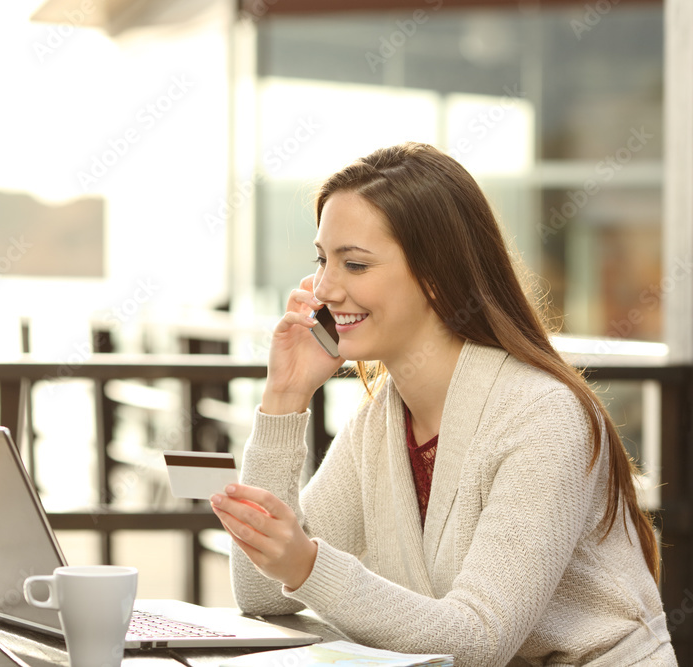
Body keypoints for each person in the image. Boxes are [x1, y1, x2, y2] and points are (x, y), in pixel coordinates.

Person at [209, 142, 677, 666]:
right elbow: (263, 592)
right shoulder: (380, 421)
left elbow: (479, 639)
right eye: (322, 260)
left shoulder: (544, 416)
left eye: (355, 265)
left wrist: (308, 567)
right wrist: (284, 398)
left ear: (435, 276)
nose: (324, 289)